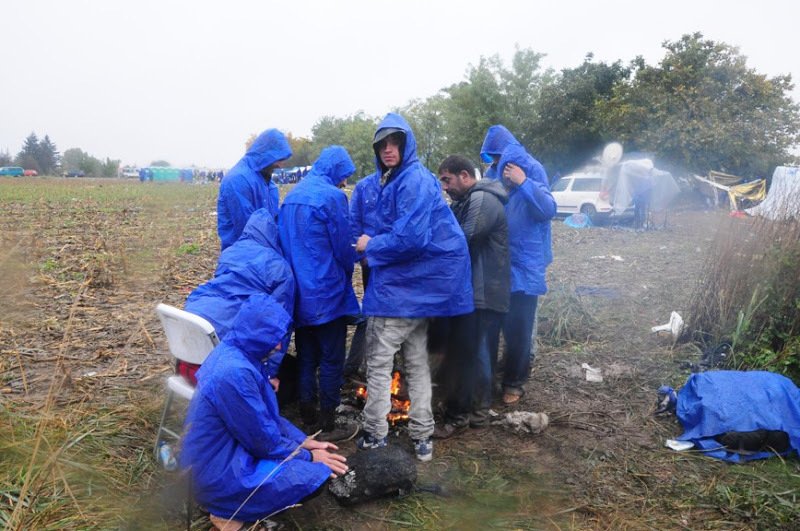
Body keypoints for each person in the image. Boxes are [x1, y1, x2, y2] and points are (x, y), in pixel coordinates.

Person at [354, 113, 473, 461]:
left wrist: (369, 245)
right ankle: (422, 437)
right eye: (382, 145)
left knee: (377, 363)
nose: (388, 150)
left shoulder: (413, 180)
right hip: (418, 291)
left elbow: (411, 238)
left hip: (403, 293)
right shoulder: (399, 178)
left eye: (395, 143)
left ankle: (375, 433)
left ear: (407, 145)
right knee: (417, 363)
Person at [180, 293, 348, 530]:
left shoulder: (238, 353)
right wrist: (308, 456)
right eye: (273, 339)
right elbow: (261, 440)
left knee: (307, 466)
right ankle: (224, 511)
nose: (279, 346)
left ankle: (226, 506)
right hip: (216, 469)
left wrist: (304, 441)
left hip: (219, 452)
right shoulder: (235, 374)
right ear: (256, 335)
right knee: (314, 476)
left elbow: (265, 417)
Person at [278, 146, 360, 440]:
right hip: (326, 292)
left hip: (298, 292)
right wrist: (351, 268)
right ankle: (328, 420)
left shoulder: (292, 196)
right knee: (331, 358)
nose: (344, 181)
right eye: (344, 175)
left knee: (307, 354)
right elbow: (342, 246)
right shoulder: (332, 198)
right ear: (336, 169)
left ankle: (306, 411)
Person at [434, 155, 510, 438]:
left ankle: (465, 415)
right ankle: (476, 412)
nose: (445, 187)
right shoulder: (468, 201)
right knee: (477, 353)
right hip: (477, 290)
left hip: (482, 290)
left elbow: (459, 241)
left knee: (471, 354)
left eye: (447, 180)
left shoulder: (482, 200)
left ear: (464, 176)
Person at [480, 125, 556, 405]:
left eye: (497, 157)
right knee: (489, 325)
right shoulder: (491, 176)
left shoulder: (531, 169)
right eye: (492, 158)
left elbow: (548, 210)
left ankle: (514, 382)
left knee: (519, 327)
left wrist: (523, 182)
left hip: (525, 263)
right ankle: (486, 380)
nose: (495, 163)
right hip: (496, 263)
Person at [184, 208, 295, 386]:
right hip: (225, 338)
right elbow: (278, 326)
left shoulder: (230, 252)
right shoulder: (279, 267)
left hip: (196, 320)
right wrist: (269, 374)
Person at [217, 129, 291, 251]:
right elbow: (248, 228)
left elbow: (272, 219)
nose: (280, 165)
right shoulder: (238, 180)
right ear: (267, 153)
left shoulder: (268, 183)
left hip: (263, 253)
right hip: (242, 257)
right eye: (278, 159)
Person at [343, 169, 381, 378]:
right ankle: (362, 366)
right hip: (372, 262)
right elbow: (354, 223)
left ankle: (394, 368)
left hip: (400, 265)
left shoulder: (413, 182)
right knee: (371, 312)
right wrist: (363, 256)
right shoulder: (365, 186)